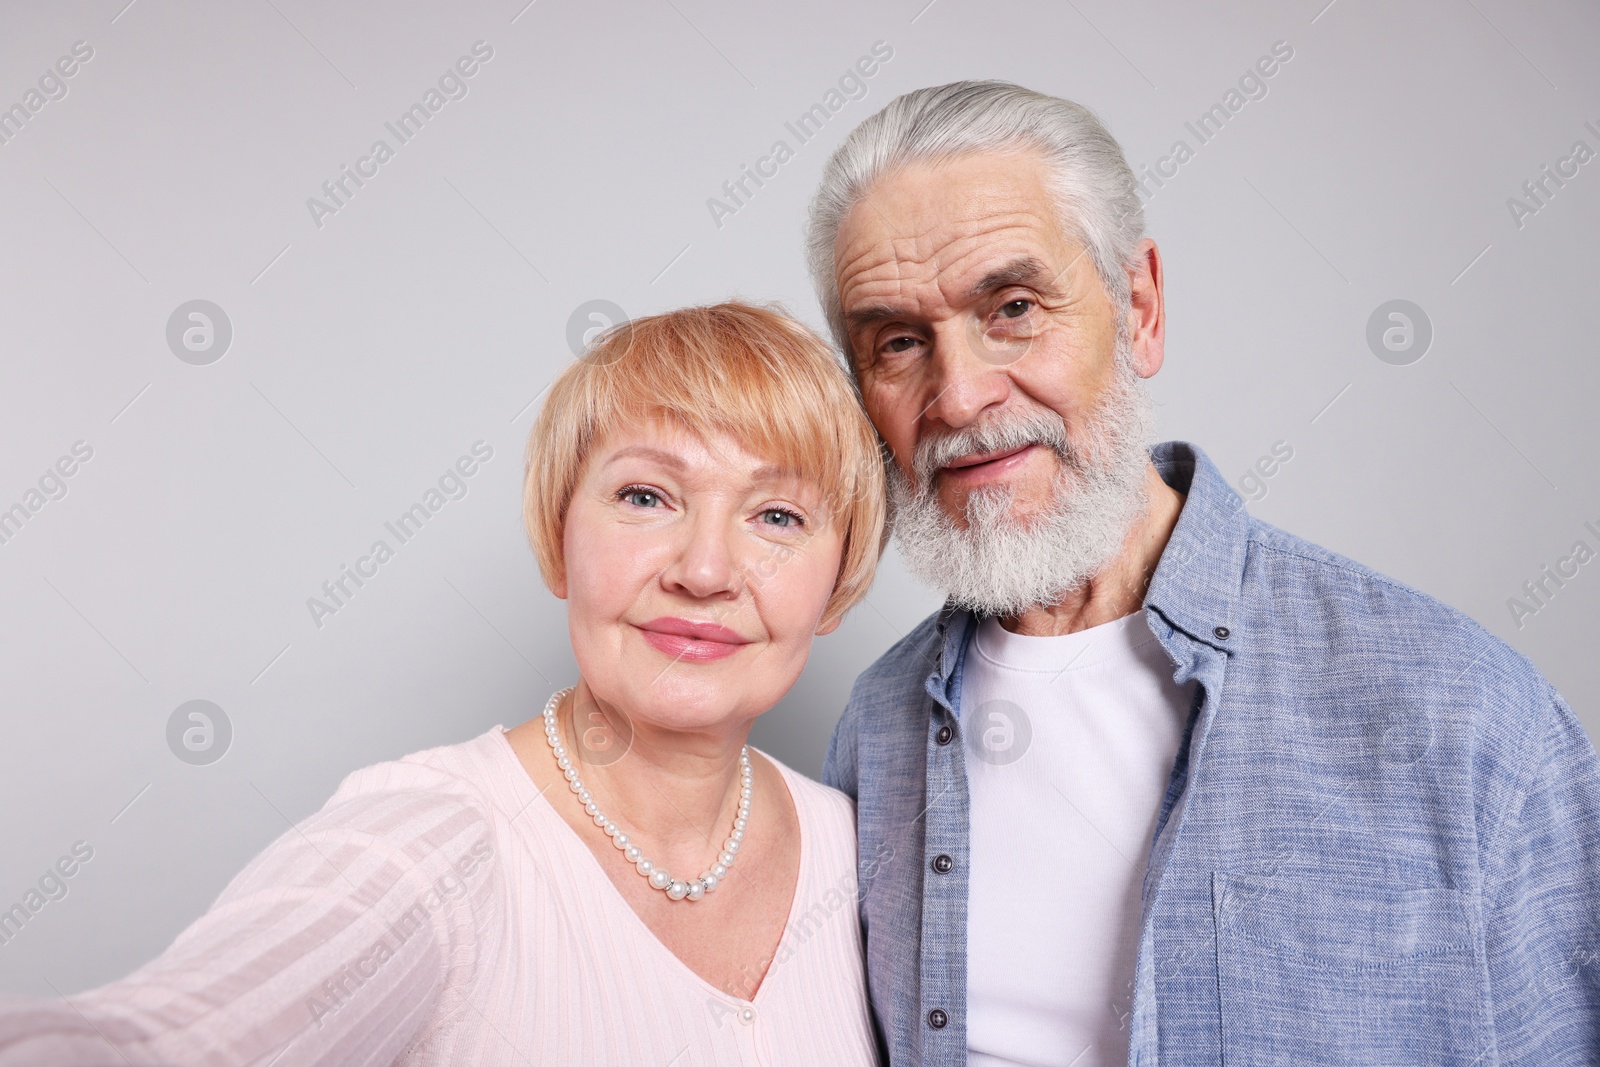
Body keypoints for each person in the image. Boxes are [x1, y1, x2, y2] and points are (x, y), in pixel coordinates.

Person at [811, 81, 1600, 1067]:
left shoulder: (1469, 717)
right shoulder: (876, 729)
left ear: (1138, 307)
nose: (960, 394)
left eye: (1012, 308)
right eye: (896, 342)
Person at [0, 302, 887, 1066]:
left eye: (777, 515)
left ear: (837, 580)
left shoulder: (871, 851)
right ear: (558, 538)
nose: (704, 569)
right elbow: (160, 1040)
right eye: (646, 496)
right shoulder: (432, 840)